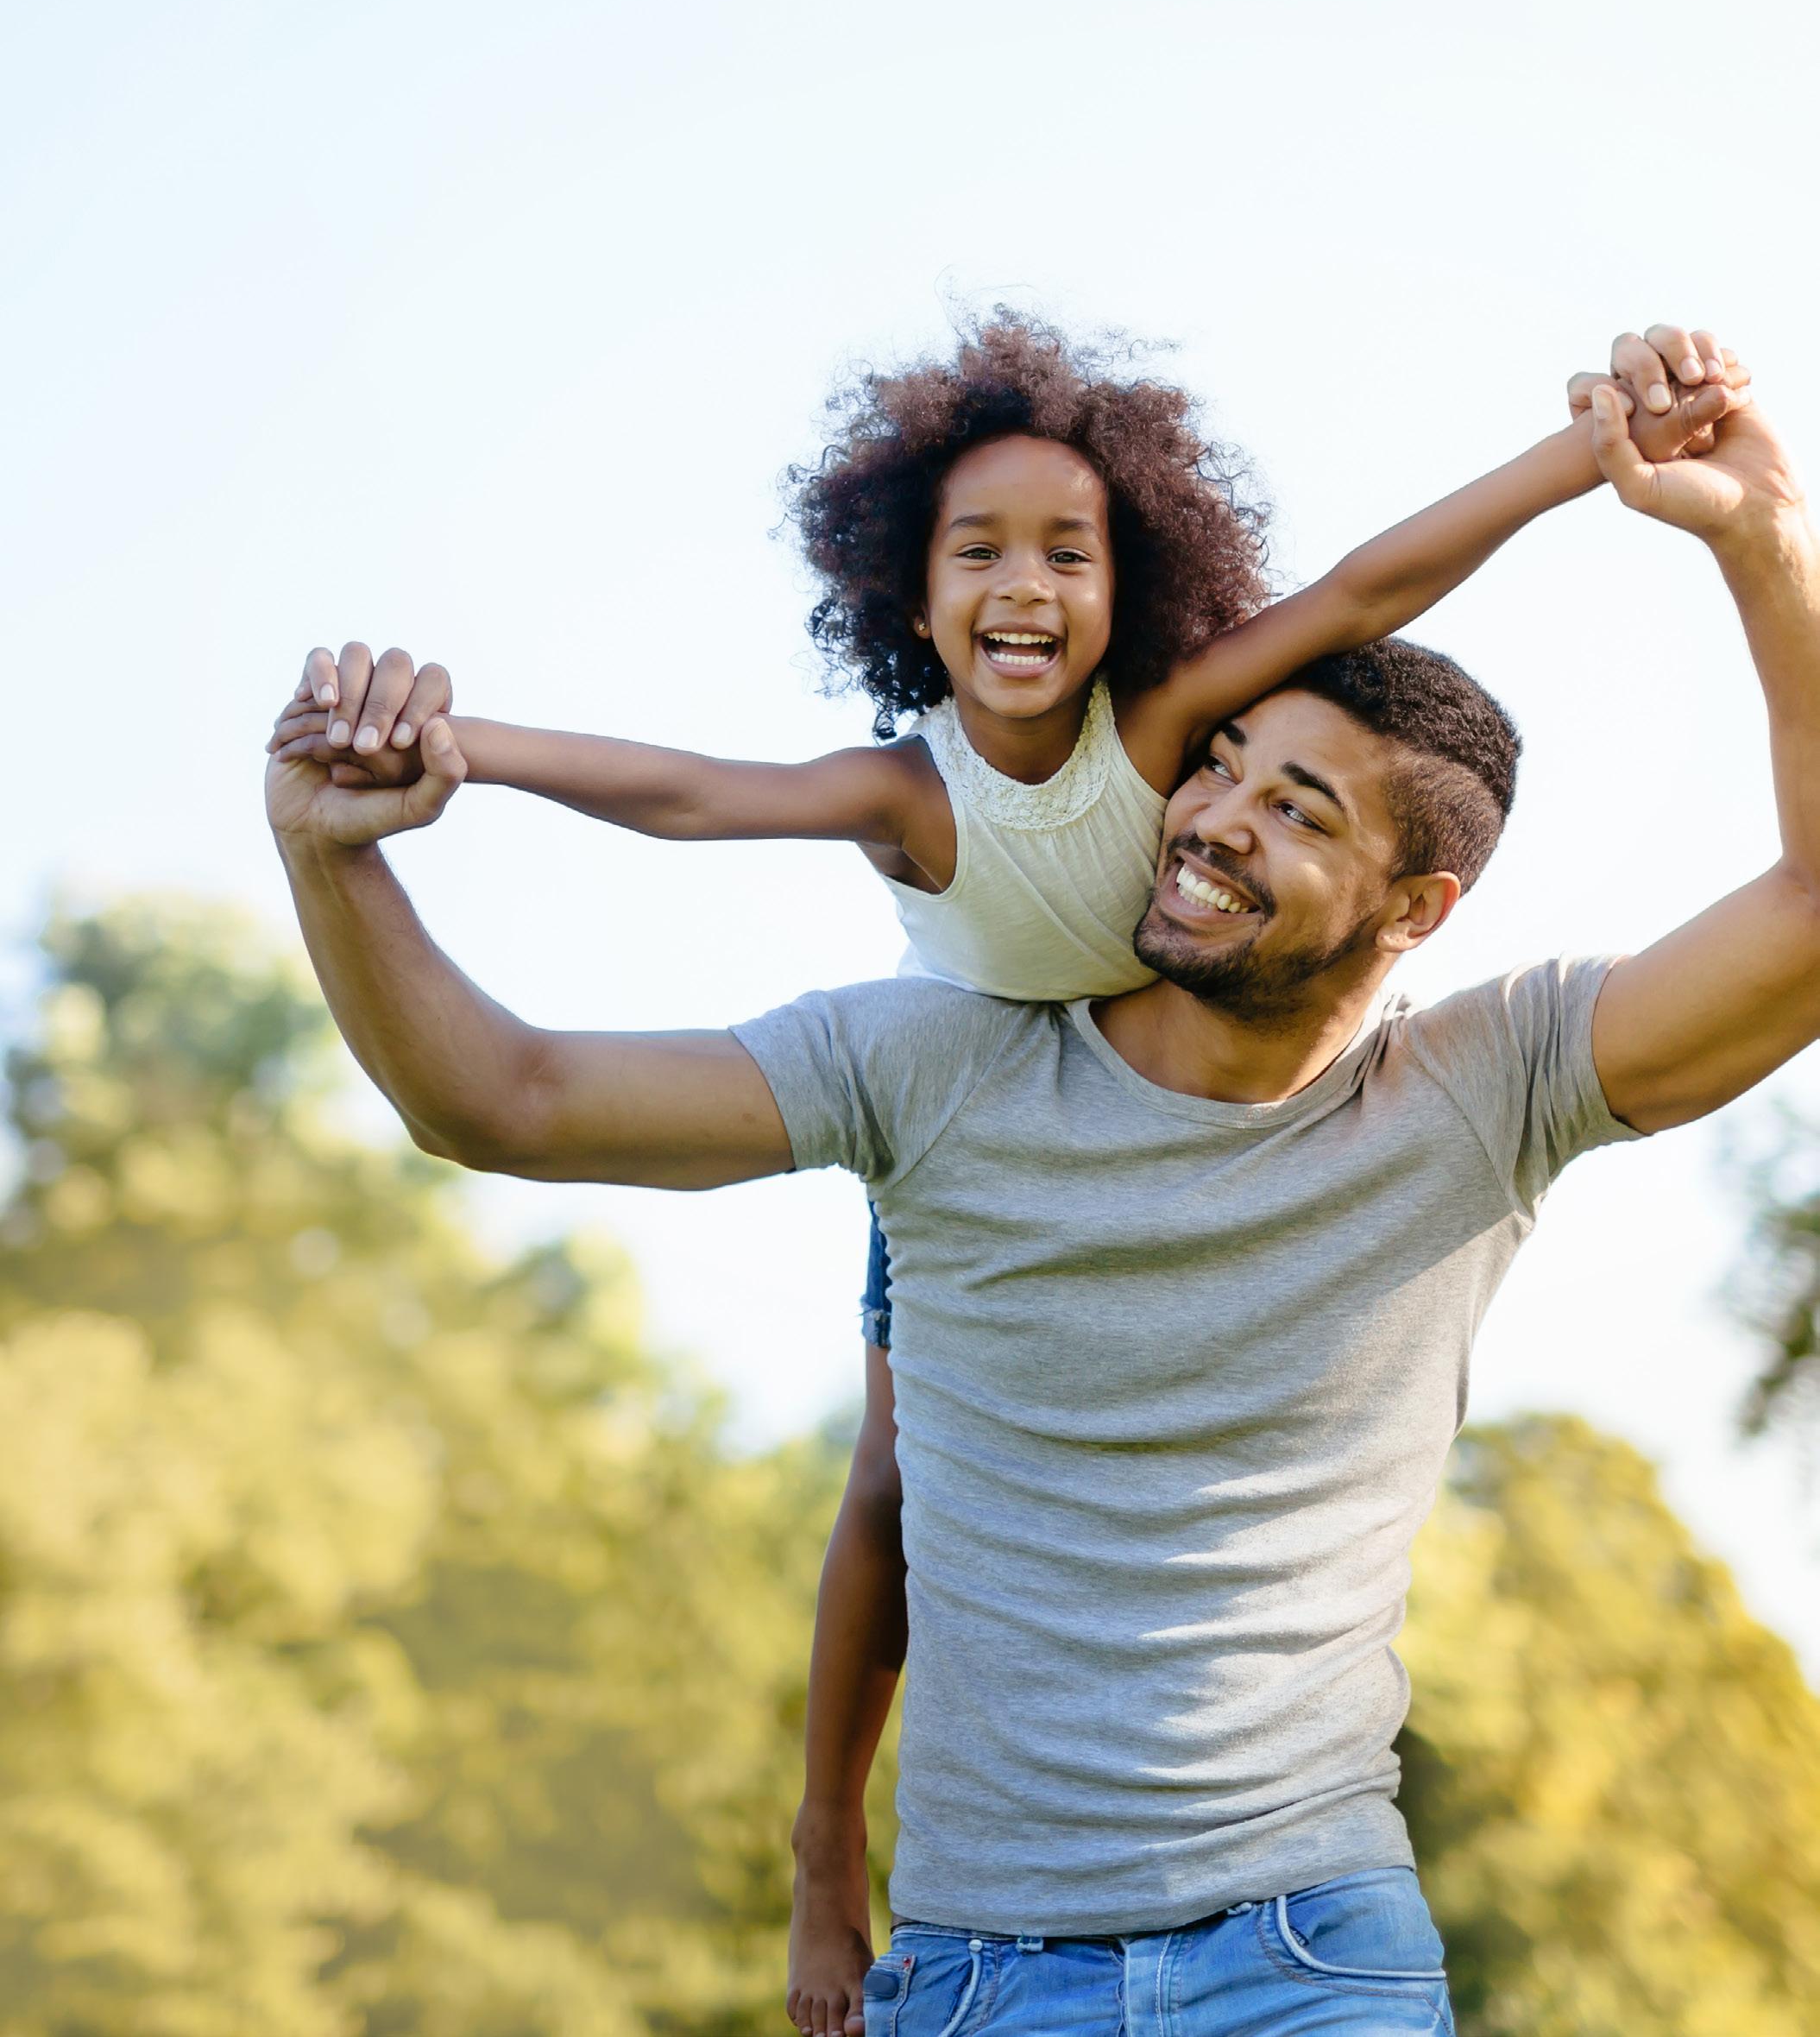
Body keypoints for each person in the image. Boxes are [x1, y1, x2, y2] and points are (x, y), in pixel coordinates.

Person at [266, 338, 1815, 2037]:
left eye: (1294, 810)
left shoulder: (1483, 1087)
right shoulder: (936, 1064)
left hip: (1310, 1960)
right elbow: (501, 1100)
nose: (1210, 818)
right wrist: (332, 856)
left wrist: (1759, 536)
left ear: (1411, 909)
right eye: (1217, 763)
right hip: (976, 1974)